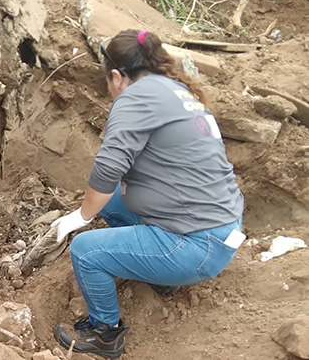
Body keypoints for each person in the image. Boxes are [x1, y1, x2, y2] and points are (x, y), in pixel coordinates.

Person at [50, 29, 245, 359]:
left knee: (85, 250)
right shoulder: (175, 89)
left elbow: (109, 166)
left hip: (197, 245)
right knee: (112, 203)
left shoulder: (134, 96)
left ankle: (106, 334)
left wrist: (80, 217)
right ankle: (164, 277)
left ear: (117, 76)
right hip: (221, 228)